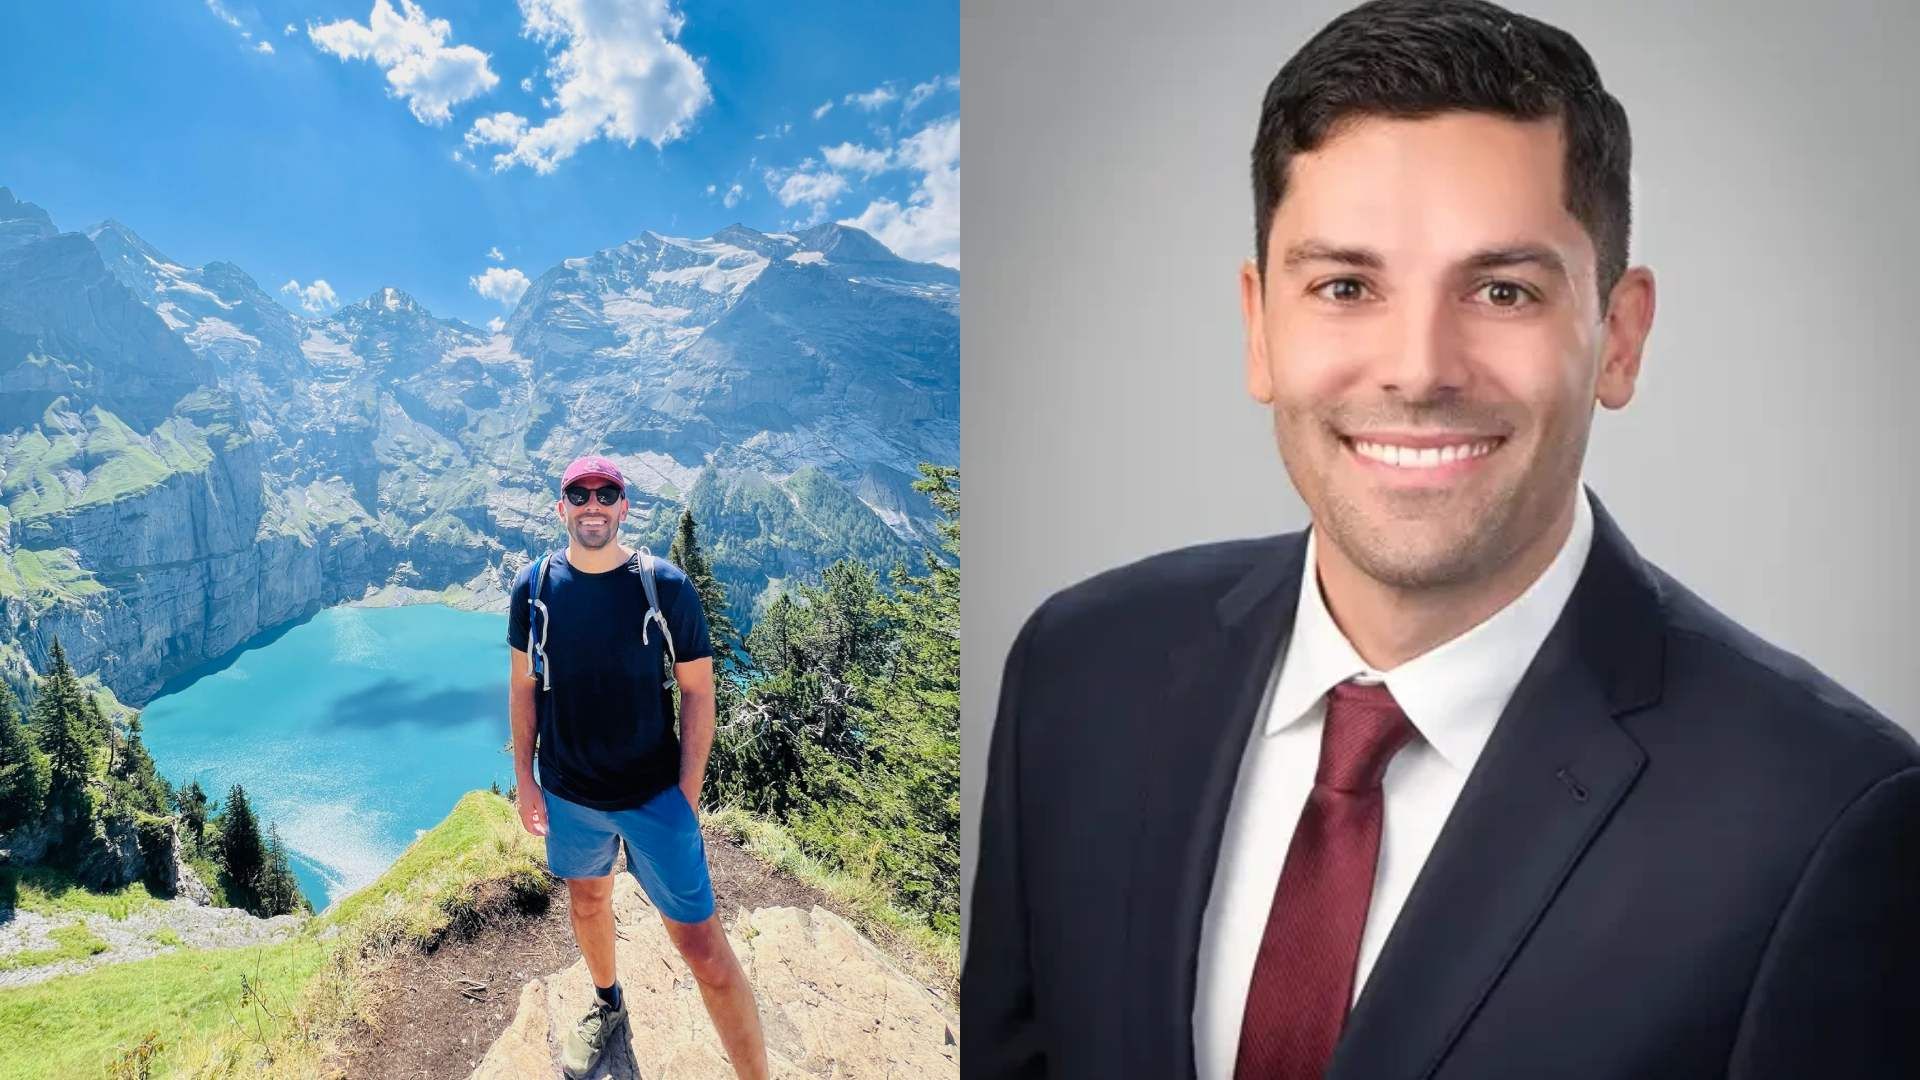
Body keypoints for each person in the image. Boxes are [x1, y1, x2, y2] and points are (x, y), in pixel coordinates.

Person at [961, 2, 1920, 1078]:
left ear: (1620, 337)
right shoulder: (1078, 674)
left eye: (1502, 289)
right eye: (1346, 287)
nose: (1419, 369)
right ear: (1259, 326)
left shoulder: (1829, 825)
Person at [508, 454, 770, 1080]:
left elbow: (700, 690)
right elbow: (523, 686)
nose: (592, 504)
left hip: (656, 799)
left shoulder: (664, 587)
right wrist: (526, 778)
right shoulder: (535, 588)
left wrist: (687, 793)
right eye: (579, 493)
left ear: (624, 507)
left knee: (704, 949)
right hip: (570, 794)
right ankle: (607, 1002)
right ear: (561, 507)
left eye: (606, 493)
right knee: (589, 900)